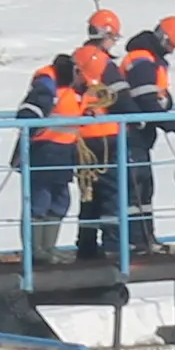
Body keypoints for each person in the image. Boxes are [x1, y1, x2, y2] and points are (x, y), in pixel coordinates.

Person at [111, 17, 175, 255]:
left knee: (144, 188)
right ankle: (136, 240)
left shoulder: (150, 59)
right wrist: (168, 122)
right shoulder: (143, 61)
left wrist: (164, 106)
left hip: (140, 134)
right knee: (135, 188)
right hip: (131, 133)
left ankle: (144, 238)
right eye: (172, 46)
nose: (172, 51)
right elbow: (146, 100)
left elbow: (159, 97)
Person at [18, 42, 93, 249]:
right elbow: (33, 106)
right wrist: (30, 119)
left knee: (60, 201)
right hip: (43, 150)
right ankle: (35, 252)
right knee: (39, 201)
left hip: (64, 152)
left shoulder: (78, 87)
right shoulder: (48, 78)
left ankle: (48, 248)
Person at [68, 19, 126, 262]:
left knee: (88, 194)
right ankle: (113, 245)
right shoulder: (104, 63)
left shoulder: (76, 58)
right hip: (105, 136)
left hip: (80, 137)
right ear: (107, 35)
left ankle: (86, 243)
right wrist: (141, 119)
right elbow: (122, 98)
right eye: (113, 38)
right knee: (111, 193)